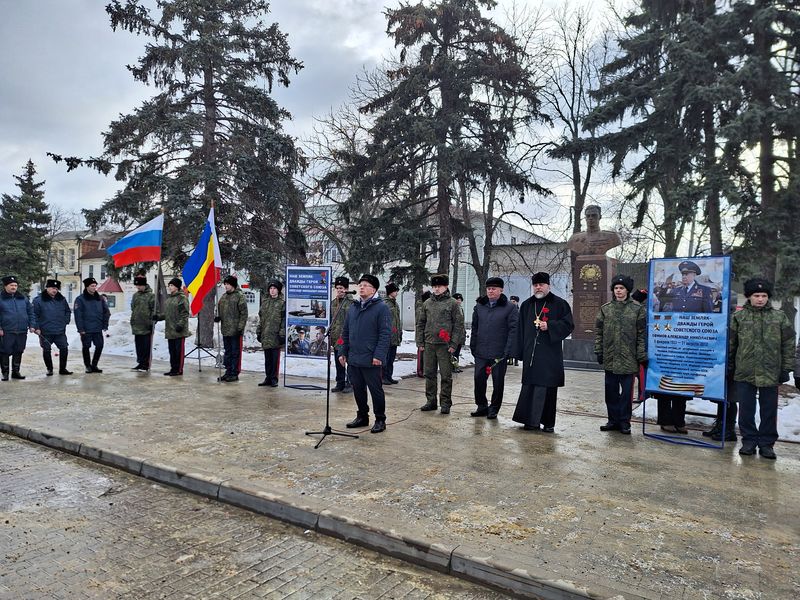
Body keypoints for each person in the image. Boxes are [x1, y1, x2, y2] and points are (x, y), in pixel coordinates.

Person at [729, 278, 795, 459]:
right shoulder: (738, 317)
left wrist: (786, 368)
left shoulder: (779, 317)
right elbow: (731, 344)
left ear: (768, 297)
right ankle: (749, 441)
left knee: (769, 410)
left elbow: (788, 344)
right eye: (756, 295)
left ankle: (767, 443)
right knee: (746, 409)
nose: (760, 299)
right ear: (749, 297)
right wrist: (730, 366)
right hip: (745, 371)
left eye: (764, 295)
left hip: (770, 372)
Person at [513, 272, 574, 432]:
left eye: (541, 284)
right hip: (530, 354)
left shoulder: (559, 304)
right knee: (530, 387)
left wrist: (550, 326)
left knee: (546, 388)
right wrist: (518, 352)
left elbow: (568, 325)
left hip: (549, 356)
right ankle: (530, 421)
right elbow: (520, 330)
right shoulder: (527, 305)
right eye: (535, 285)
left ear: (548, 286)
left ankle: (547, 423)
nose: (538, 287)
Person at [339, 274, 392, 433]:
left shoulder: (381, 308)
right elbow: (346, 332)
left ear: (374, 289)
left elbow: (385, 334)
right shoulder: (353, 307)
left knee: (375, 390)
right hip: (354, 357)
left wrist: (379, 356)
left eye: (365, 285)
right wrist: (343, 351)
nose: (361, 287)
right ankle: (362, 416)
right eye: (360, 284)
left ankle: (380, 419)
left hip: (371, 358)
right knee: (358, 389)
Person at [594, 275, 646, 435]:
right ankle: (613, 420)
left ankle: (624, 422)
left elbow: (642, 334)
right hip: (610, 357)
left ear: (627, 290)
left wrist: (641, 355)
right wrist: (599, 351)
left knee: (626, 394)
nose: (619, 291)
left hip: (628, 359)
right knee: (611, 392)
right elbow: (599, 332)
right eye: (616, 288)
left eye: (621, 288)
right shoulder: (606, 309)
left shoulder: (637, 309)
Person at [416, 274, 465, 415]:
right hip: (429, 344)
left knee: (446, 376)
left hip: (445, 346)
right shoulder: (427, 304)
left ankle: (445, 403)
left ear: (446, 286)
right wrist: (420, 342)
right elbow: (421, 323)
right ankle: (431, 401)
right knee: (429, 374)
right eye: (434, 286)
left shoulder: (452, 303)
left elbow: (458, 325)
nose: (436, 289)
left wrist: (454, 343)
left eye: (439, 286)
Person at [469, 277, 518, 419]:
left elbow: (513, 330)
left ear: (501, 290)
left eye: (494, 288)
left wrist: (507, 351)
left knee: (498, 382)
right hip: (481, 351)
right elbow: (474, 327)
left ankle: (494, 408)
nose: (490, 291)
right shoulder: (480, 306)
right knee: (479, 379)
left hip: (499, 353)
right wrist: (473, 346)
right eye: (488, 288)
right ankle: (482, 405)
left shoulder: (509, 308)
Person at [0, 275, 37, 381]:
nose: (14, 287)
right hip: (7, 331)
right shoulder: (1, 299)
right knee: (4, 352)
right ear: (6, 286)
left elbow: (31, 312)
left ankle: (16, 372)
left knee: (19, 351)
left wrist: (32, 325)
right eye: (11, 285)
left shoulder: (23, 298)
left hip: (21, 330)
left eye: (15, 285)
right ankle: (5, 373)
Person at [32, 279, 72, 376]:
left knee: (64, 348)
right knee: (46, 350)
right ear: (47, 288)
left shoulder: (61, 299)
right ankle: (49, 369)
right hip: (45, 331)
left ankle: (63, 369)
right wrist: (36, 327)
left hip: (60, 330)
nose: (55, 290)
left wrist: (65, 321)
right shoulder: (38, 300)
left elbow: (67, 311)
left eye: (56, 288)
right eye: (53, 288)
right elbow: (34, 315)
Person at [73, 277, 110, 374]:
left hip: (97, 328)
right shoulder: (80, 299)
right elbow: (78, 315)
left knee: (100, 346)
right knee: (86, 347)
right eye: (92, 286)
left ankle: (94, 365)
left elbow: (106, 312)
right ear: (87, 287)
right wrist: (80, 329)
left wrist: (105, 324)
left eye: (95, 286)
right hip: (86, 329)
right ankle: (87, 365)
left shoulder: (100, 298)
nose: (94, 288)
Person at [215, 275, 248, 382]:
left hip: (235, 330)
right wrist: (218, 317)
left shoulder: (239, 296)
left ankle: (234, 372)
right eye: (225, 284)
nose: (225, 286)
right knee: (228, 352)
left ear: (233, 285)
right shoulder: (224, 297)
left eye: (227, 284)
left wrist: (240, 327)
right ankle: (228, 371)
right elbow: (219, 309)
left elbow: (244, 314)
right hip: (225, 329)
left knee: (235, 352)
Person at [158, 277, 191, 376]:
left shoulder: (182, 298)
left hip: (178, 330)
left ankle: (178, 369)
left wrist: (180, 325)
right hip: (170, 330)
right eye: (169, 285)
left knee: (178, 352)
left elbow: (185, 313)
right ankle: (173, 368)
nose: (169, 287)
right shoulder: (169, 299)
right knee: (172, 352)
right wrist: (158, 317)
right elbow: (167, 314)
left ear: (177, 287)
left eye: (171, 285)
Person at [257, 280, 285, 387]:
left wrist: (282, 334)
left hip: (276, 334)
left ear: (278, 290)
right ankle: (268, 377)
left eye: (274, 289)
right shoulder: (265, 302)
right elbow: (261, 318)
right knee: (267, 359)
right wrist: (259, 331)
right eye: (271, 289)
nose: (272, 291)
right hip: (266, 334)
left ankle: (274, 378)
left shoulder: (282, 303)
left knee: (274, 359)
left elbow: (283, 320)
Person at [330, 276, 353, 392]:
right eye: (337, 288)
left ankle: (350, 383)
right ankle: (340, 382)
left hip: (348, 339)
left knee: (348, 361)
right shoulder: (333, 303)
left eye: (342, 288)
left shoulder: (352, 303)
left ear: (347, 289)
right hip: (336, 339)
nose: (339, 290)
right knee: (338, 362)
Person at [130, 275, 155, 371]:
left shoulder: (151, 296)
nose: (138, 287)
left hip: (146, 325)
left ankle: (146, 364)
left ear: (144, 284)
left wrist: (151, 321)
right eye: (137, 285)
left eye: (140, 285)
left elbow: (154, 310)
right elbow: (133, 307)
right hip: (137, 325)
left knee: (146, 346)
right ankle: (140, 362)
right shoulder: (135, 295)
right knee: (139, 346)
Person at [383, 282, 401, 385]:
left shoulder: (395, 303)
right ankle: (383, 377)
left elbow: (397, 320)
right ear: (390, 292)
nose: (397, 293)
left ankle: (389, 376)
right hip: (387, 336)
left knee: (391, 358)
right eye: (395, 291)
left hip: (394, 336)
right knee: (385, 357)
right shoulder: (385, 304)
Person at [451, 293, 465, 373]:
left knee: (457, 352)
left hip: (460, 335)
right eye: (457, 300)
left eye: (460, 300)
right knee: (454, 352)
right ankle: (453, 367)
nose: (459, 301)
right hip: (454, 335)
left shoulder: (461, 309)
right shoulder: (452, 309)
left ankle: (456, 366)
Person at [507, 295, 520, 366]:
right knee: (510, 345)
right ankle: (510, 359)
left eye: (514, 301)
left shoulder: (519, 310)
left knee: (516, 346)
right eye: (511, 301)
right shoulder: (508, 310)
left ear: (517, 302)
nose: (512, 303)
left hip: (517, 330)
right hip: (509, 330)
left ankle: (516, 360)